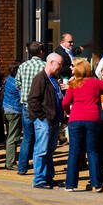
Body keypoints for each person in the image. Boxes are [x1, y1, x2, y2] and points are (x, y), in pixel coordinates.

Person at [61, 59, 103, 192]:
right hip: (92, 119)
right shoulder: (96, 83)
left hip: (75, 119)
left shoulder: (73, 83)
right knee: (92, 151)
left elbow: (65, 102)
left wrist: (69, 112)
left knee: (74, 152)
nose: (71, 68)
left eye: (73, 66)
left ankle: (70, 184)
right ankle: (96, 184)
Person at [27, 53, 65, 189]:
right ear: (51, 62)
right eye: (59, 64)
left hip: (54, 120)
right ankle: (39, 179)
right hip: (44, 121)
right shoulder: (40, 78)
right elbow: (32, 100)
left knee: (49, 150)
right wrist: (42, 117)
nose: (60, 67)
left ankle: (48, 177)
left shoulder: (53, 78)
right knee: (41, 150)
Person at [15, 42, 45, 176]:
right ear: (40, 52)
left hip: (26, 106)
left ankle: (22, 167)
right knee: (40, 137)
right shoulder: (44, 66)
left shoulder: (23, 66)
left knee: (27, 137)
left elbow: (17, 83)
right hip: (40, 106)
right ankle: (39, 166)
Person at [1, 60, 23, 171]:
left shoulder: (8, 79)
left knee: (9, 135)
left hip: (6, 109)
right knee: (13, 137)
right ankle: (10, 162)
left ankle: (9, 160)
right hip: (15, 111)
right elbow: (22, 96)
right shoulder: (17, 83)